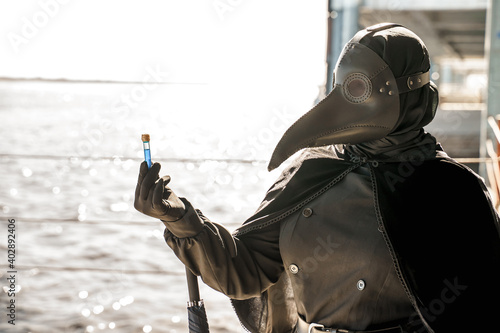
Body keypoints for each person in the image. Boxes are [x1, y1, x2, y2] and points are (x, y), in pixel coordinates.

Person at [134, 23, 500, 333]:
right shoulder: (313, 170)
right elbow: (243, 271)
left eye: (359, 88)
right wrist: (180, 218)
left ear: (409, 95)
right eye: (344, 87)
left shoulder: (452, 191)